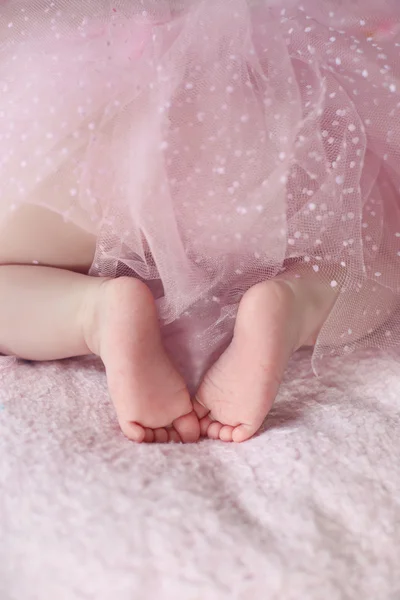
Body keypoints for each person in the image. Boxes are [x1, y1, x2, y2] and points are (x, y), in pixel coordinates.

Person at [0, 0, 399, 443]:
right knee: (380, 256)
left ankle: (92, 313)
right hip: (288, 125)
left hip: (109, 116)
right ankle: (295, 301)